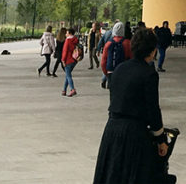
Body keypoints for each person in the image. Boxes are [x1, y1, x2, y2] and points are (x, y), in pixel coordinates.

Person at [92, 28, 172, 183]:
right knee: (133, 176)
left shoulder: (120, 69)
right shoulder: (149, 74)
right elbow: (153, 109)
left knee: (112, 175)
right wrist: (161, 139)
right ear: (153, 50)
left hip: (112, 129)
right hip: (134, 133)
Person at [101, 22, 133, 89]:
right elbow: (132, 59)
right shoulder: (128, 43)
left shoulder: (108, 44)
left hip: (111, 72)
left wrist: (106, 73)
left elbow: (103, 61)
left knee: (113, 94)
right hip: (123, 72)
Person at [60, 26, 82, 97]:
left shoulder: (68, 40)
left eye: (66, 32)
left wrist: (63, 60)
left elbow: (65, 51)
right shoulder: (76, 39)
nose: (66, 34)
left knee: (68, 76)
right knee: (67, 75)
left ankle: (72, 89)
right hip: (74, 60)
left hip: (68, 60)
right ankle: (64, 90)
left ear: (69, 33)